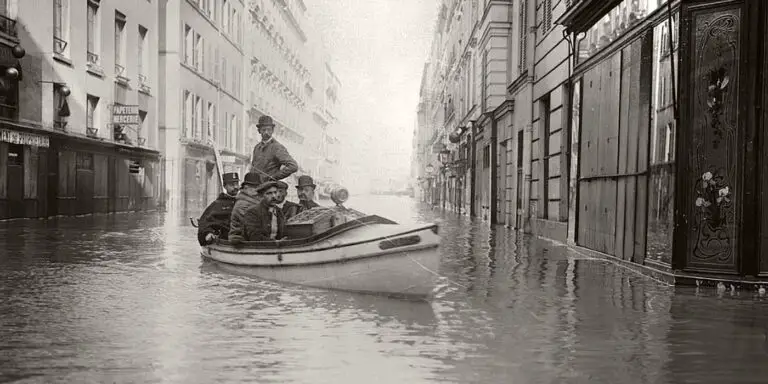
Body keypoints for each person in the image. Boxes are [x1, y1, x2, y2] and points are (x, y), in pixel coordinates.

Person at [249, 115, 298, 182]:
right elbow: (253, 168)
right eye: (263, 130)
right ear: (259, 131)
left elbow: (293, 166)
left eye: (269, 129)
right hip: (255, 186)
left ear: (272, 130)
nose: (266, 132)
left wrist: (274, 177)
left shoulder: (277, 147)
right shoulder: (257, 148)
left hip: (269, 187)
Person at [197, 172, 239, 246]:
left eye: (237, 184)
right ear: (225, 186)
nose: (236, 187)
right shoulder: (217, 204)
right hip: (225, 240)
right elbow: (204, 221)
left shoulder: (242, 202)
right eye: (232, 185)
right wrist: (208, 233)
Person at [228, 172, 264, 244]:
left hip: (251, 237)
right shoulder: (242, 205)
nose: (258, 191)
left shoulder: (254, 201)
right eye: (255, 187)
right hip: (241, 240)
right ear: (246, 188)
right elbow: (252, 223)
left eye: (258, 187)